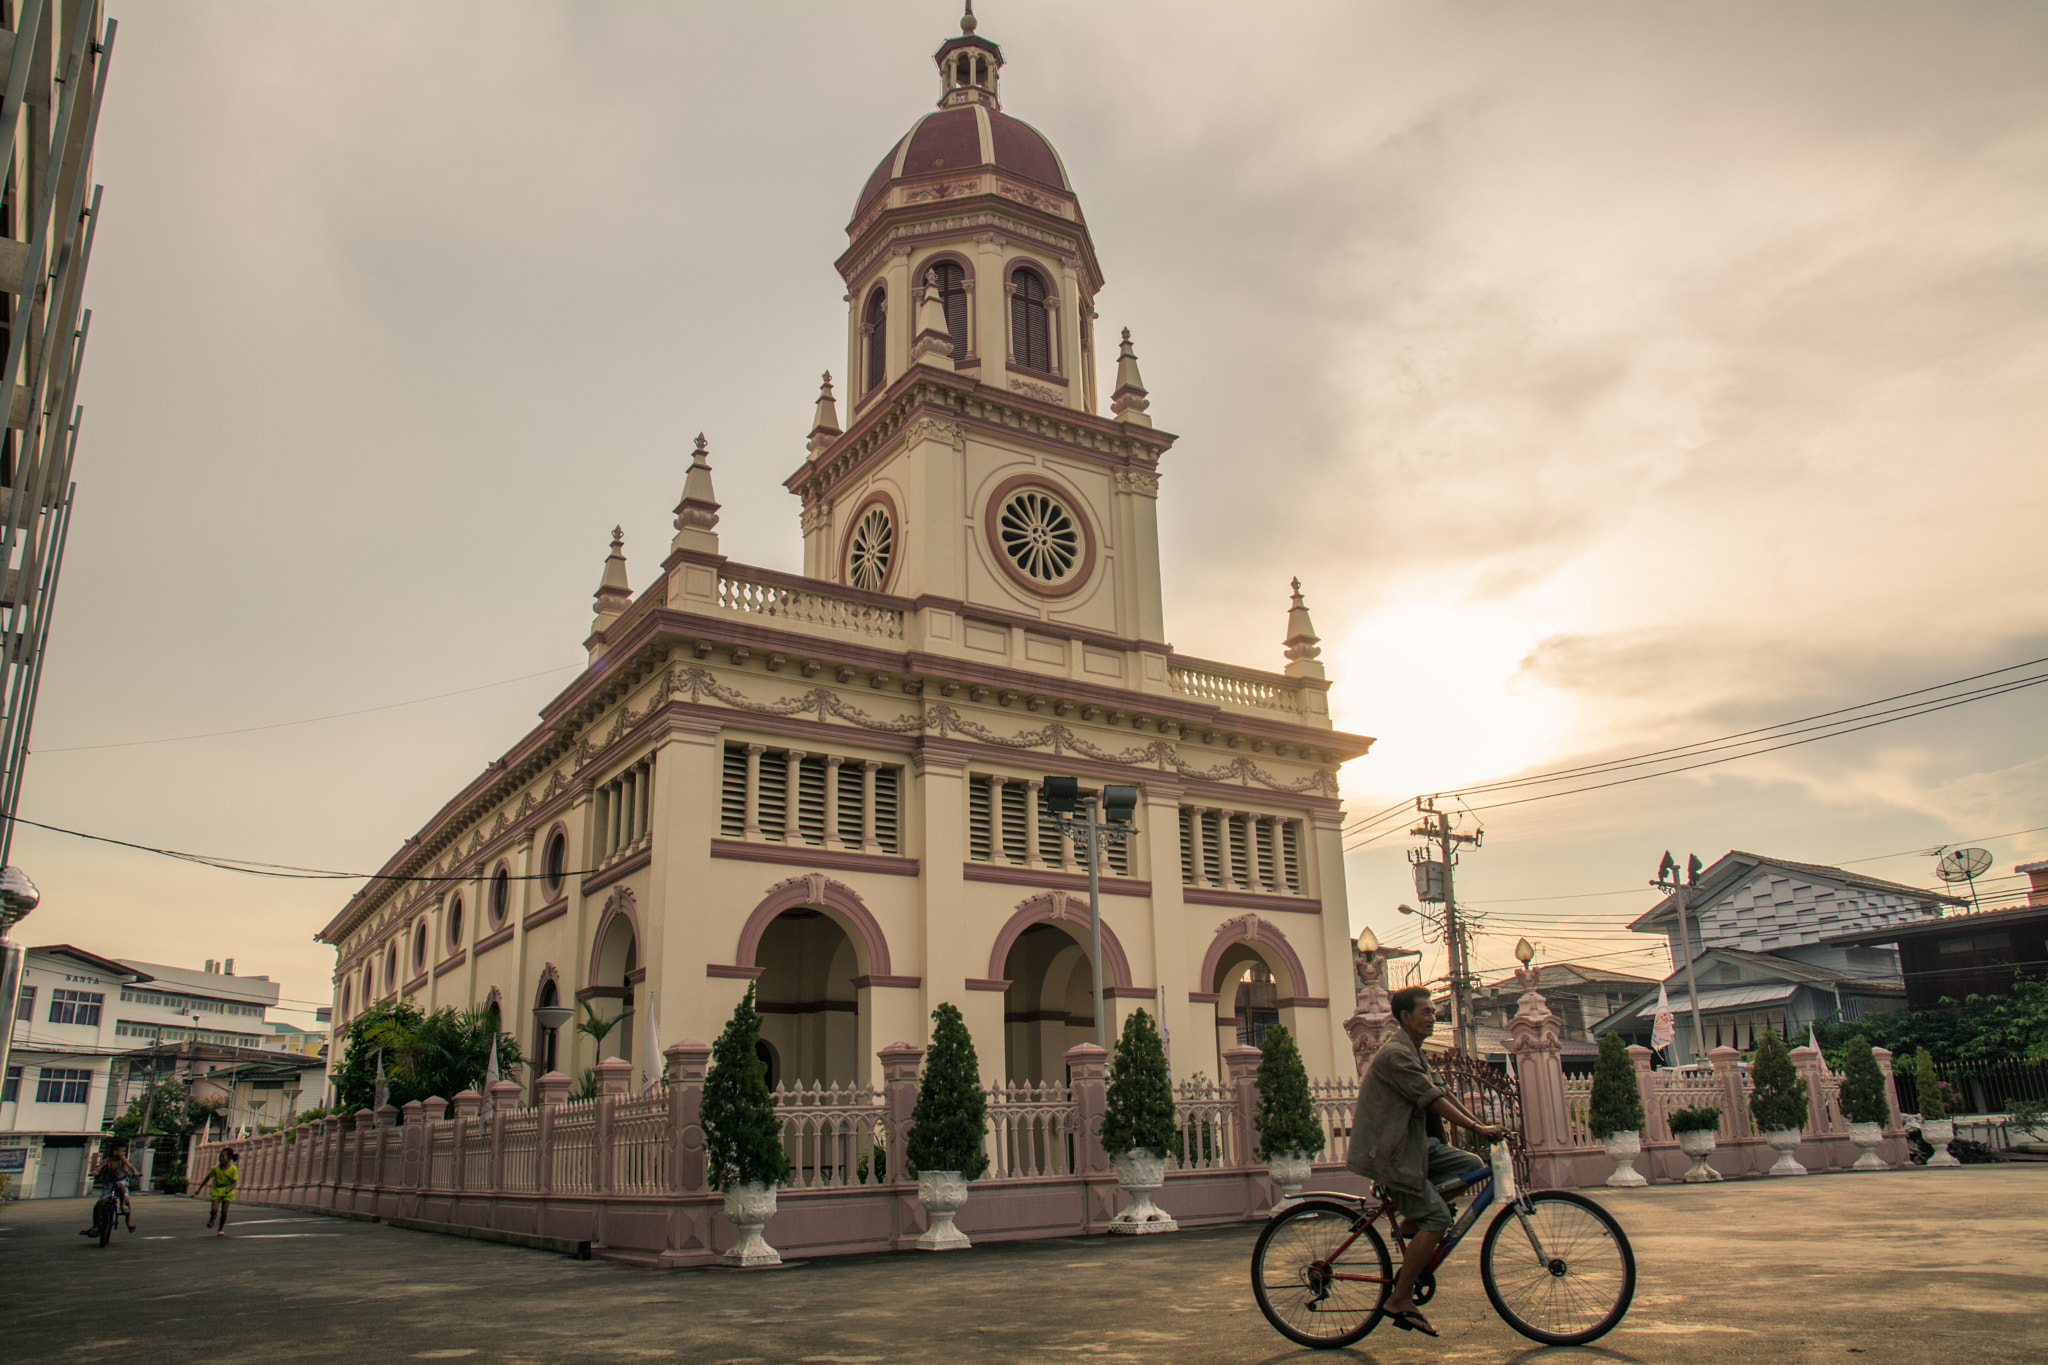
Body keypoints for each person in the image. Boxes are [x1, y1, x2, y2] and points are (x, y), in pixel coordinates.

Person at [1345, 986, 1508, 1339]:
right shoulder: (1395, 1055)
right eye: (1427, 1012)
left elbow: (1444, 1091)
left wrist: (1480, 1129)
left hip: (1416, 1146)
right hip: (1391, 1154)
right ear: (1405, 1018)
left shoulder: (1414, 1052)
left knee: (1469, 1164)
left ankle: (1411, 1223)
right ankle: (1399, 1298)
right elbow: (1431, 1098)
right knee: (1437, 1217)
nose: (1433, 1017)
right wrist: (1478, 1126)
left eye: (1434, 1012)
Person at [79, 1144, 138, 1236]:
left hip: (121, 1180)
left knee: (124, 1194)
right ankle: (96, 1226)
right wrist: (95, 1172)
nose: (123, 1153)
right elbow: (98, 1169)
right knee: (99, 1205)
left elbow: (131, 1167)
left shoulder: (122, 1160)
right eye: (122, 1151)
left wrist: (135, 1172)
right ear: (114, 1152)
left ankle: (127, 1219)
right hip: (109, 1183)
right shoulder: (106, 1161)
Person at [204, 1148, 239, 1237]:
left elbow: (234, 1183)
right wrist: (199, 1188)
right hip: (216, 1189)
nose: (221, 1158)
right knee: (214, 1210)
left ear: (229, 1158)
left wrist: (229, 1189)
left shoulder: (233, 1169)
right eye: (220, 1156)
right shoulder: (215, 1169)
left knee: (224, 1211)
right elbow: (207, 1177)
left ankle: (221, 1228)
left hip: (227, 1192)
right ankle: (212, 1218)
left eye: (223, 1157)